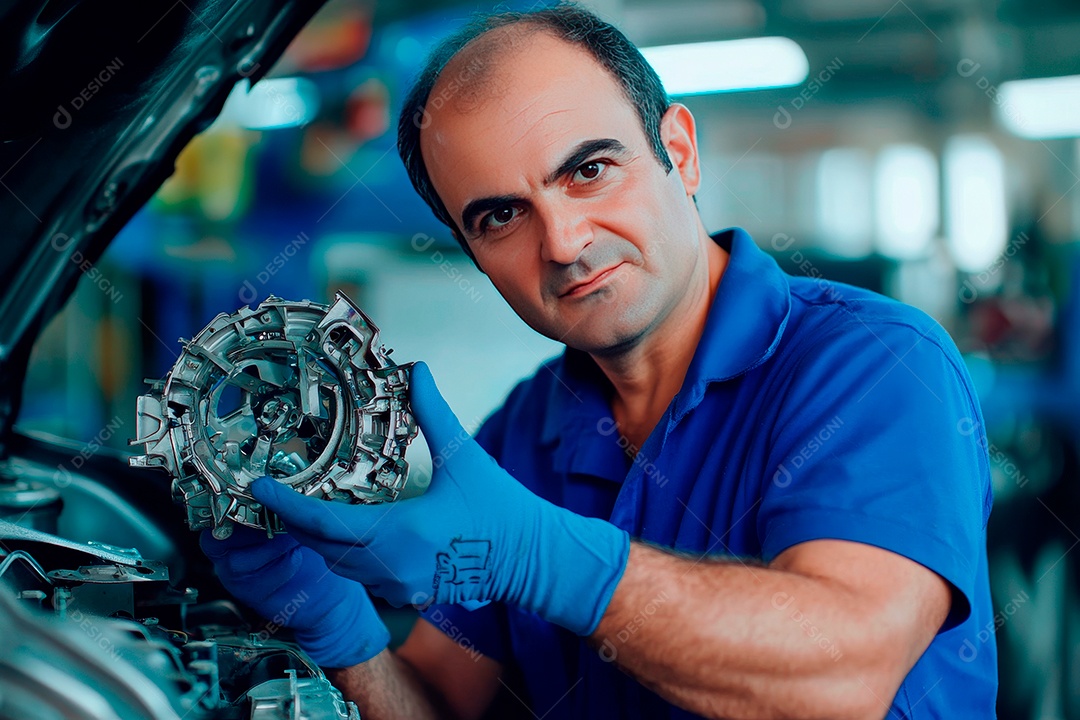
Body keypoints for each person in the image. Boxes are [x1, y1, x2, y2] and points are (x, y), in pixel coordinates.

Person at [201, 3, 997, 718]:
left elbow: (843, 675)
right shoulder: (525, 432)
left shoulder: (874, 365)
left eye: (588, 171)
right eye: (501, 216)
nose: (563, 242)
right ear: (474, 253)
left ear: (679, 152)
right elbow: (438, 704)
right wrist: (340, 632)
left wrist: (542, 557)